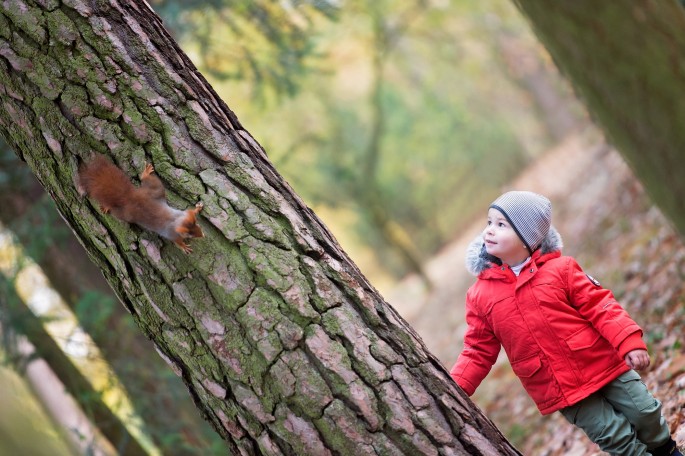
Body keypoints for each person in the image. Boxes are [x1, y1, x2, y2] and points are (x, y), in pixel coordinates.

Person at [450, 191, 682, 456]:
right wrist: (453, 388)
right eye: (489, 222)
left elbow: (601, 306)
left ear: (528, 238)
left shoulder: (561, 269)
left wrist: (628, 341)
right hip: (559, 385)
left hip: (603, 361)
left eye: (501, 225)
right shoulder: (480, 296)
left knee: (645, 412)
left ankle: (667, 450)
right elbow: (477, 349)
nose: (488, 231)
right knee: (613, 435)